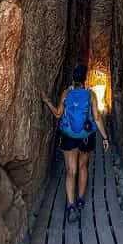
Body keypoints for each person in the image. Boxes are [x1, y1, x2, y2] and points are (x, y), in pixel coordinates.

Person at [43, 65, 108, 223]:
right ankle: (80, 199)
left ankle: (71, 206)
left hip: (69, 136)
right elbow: (97, 118)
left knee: (70, 171)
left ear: (73, 78)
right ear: (85, 79)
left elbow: (58, 114)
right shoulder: (90, 94)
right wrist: (105, 137)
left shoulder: (67, 93)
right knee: (83, 167)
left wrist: (47, 102)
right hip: (86, 137)